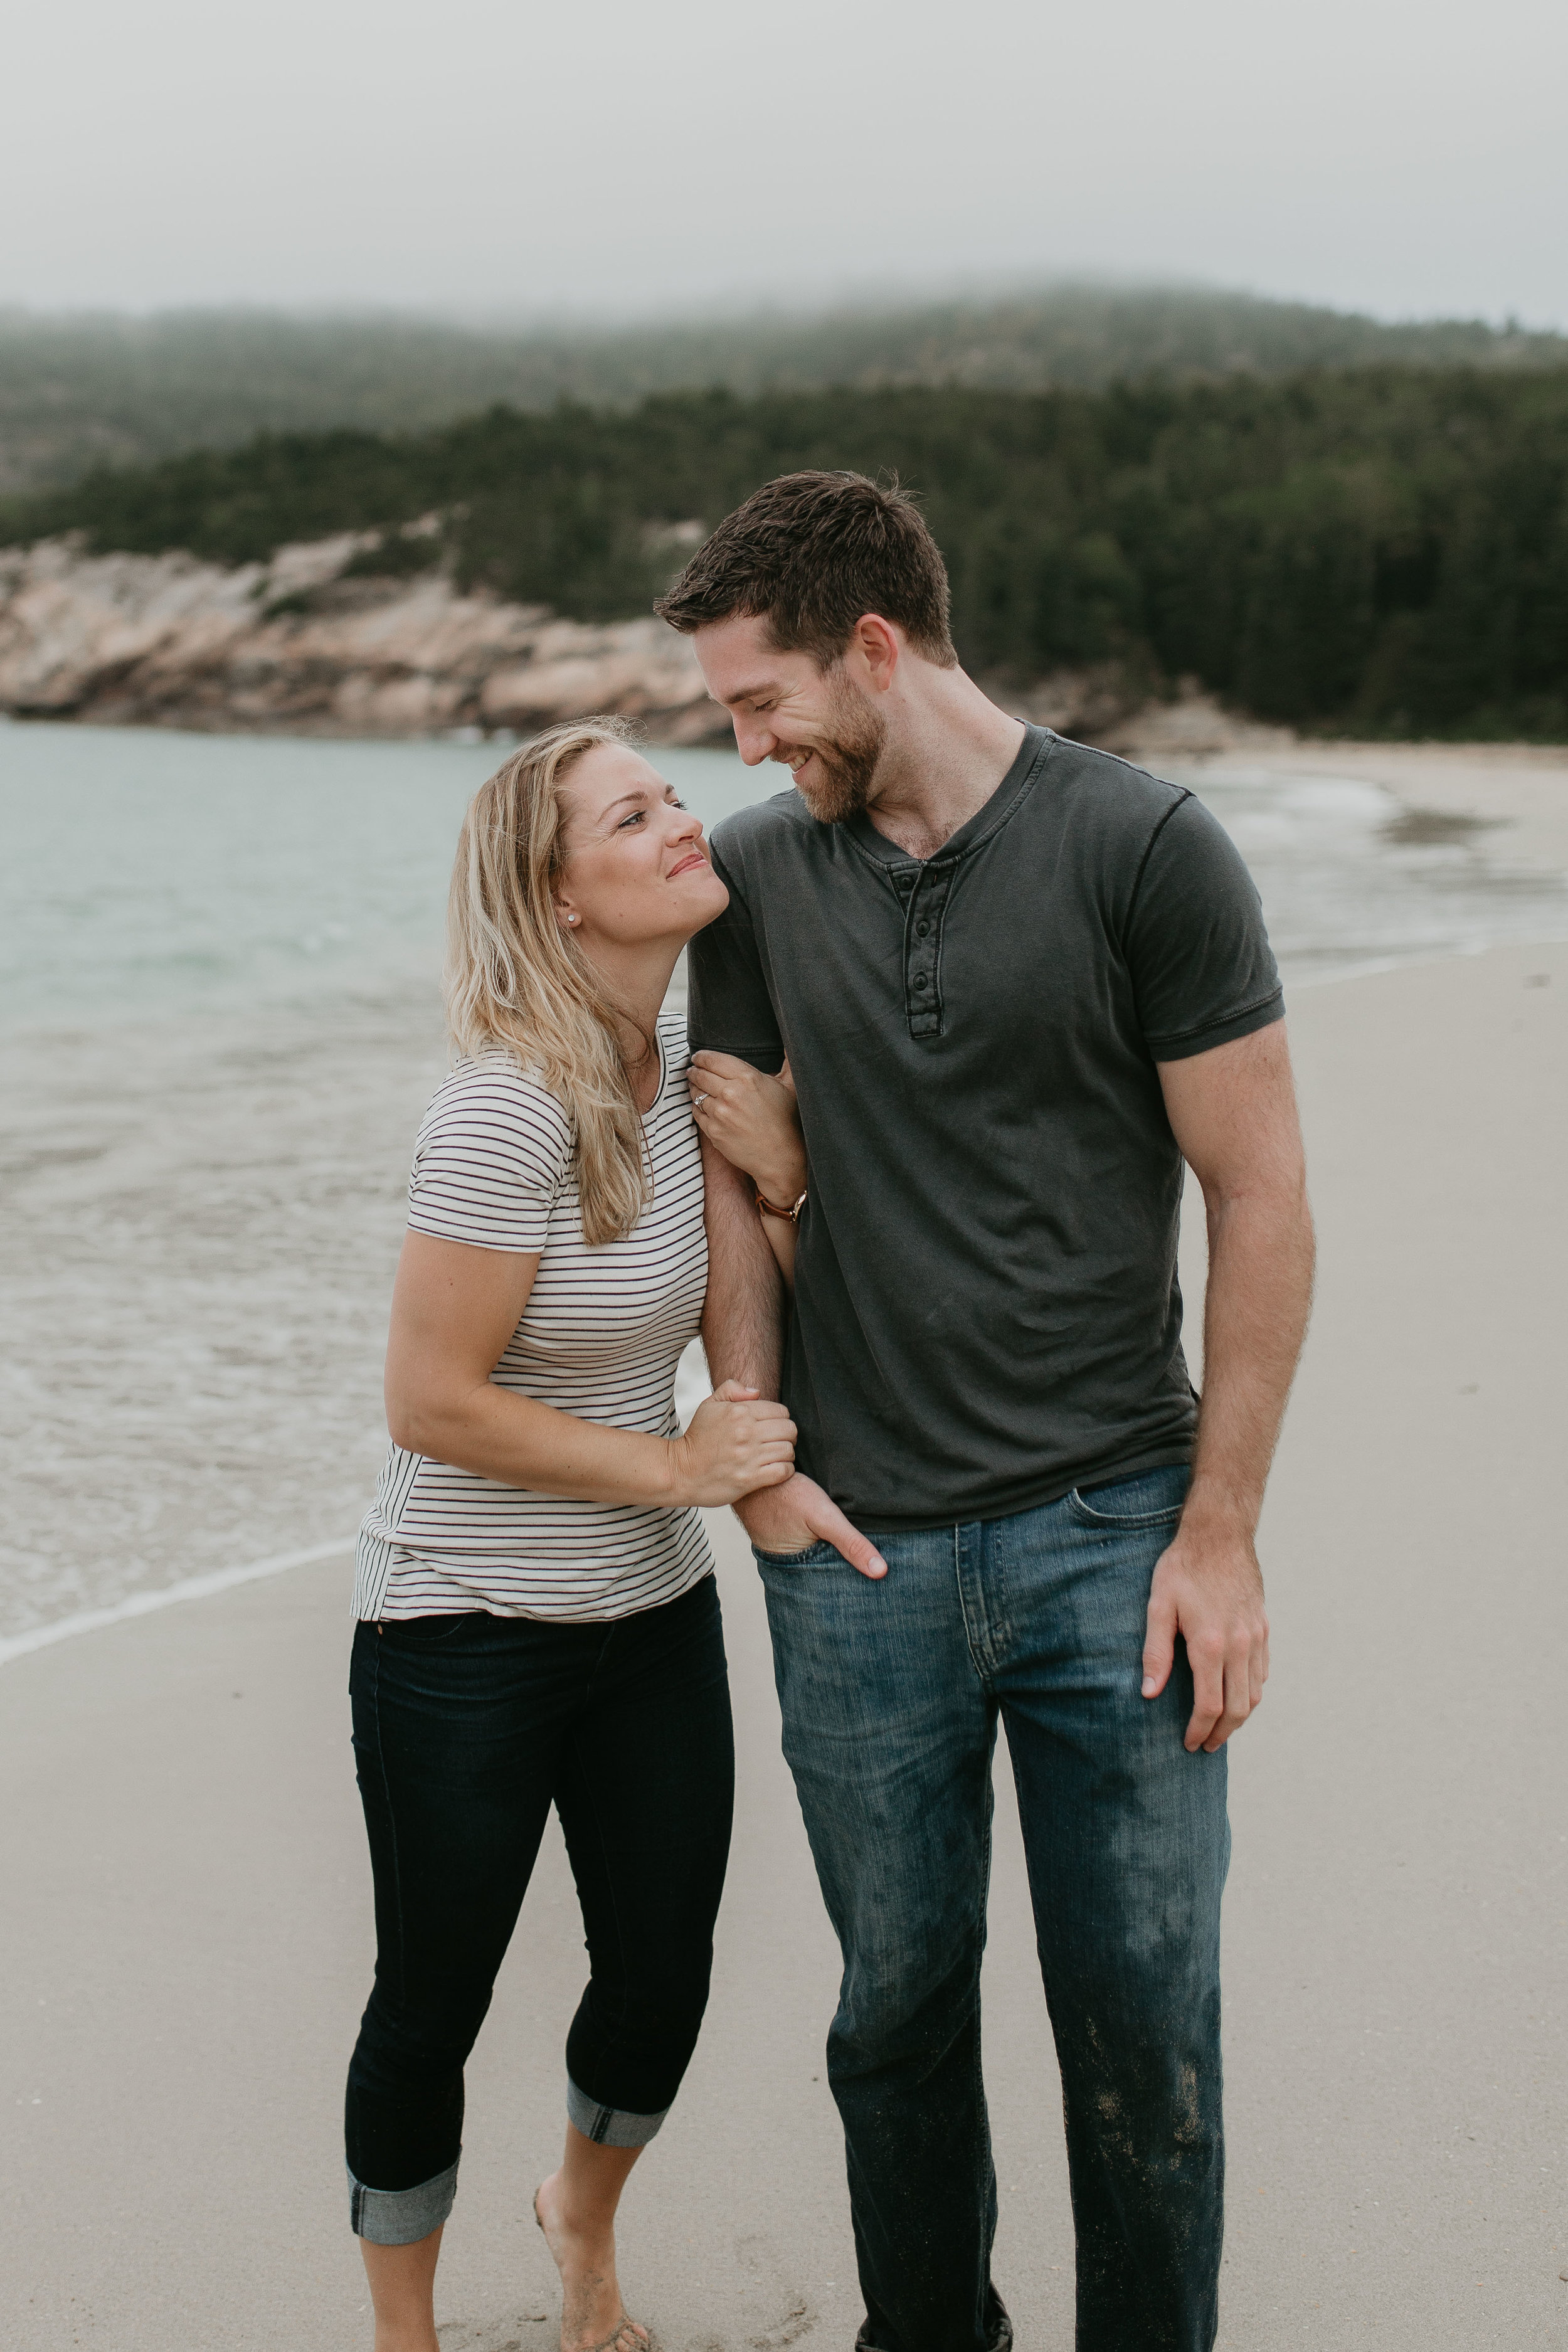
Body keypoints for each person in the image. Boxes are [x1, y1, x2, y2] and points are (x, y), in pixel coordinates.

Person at [654, 472, 1316, 2352]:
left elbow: (1258, 1195)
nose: (745, 742)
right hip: (856, 1557)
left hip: (1114, 1533)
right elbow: (728, 1175)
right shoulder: (760, 873)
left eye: (758, 699)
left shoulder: (1144, 845)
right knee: (894, 2020)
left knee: (1142, 2030)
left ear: (874, 645)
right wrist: (759, 1444)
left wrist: (1220, 1534)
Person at [342, 717, 812, 2352]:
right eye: (637, 813)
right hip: (457, 1629)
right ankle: (405, 2335)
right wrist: (678, 1474)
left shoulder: (682, 1092)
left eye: (674, 793)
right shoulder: (504, 1114)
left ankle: (580, 2229)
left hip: (645, 1621)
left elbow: (757, 1324)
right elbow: (430, 1403)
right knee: (434, 2003)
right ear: (557, 899)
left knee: (659, 1980)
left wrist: (792, 1184)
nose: (686, 819)